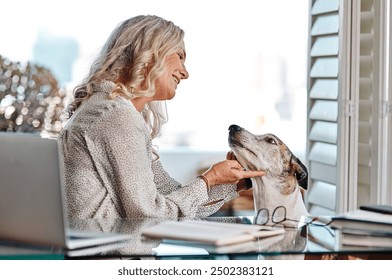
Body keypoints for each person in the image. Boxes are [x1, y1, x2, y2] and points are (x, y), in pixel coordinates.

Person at [58, 15, 265, 220]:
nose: (185, 73)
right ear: (151, 52)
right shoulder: (116, 117)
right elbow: (151, 215)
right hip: (111, 253)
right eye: (180, 56)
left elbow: (174, 203)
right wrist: (210, 178)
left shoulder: (111, 111)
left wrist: (233, 183)